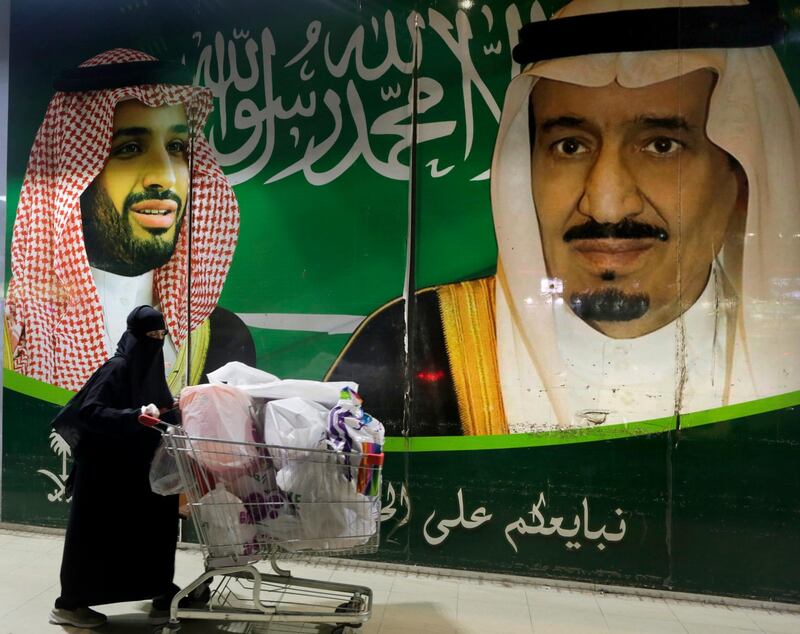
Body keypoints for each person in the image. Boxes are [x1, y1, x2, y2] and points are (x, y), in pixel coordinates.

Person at [327, 0, 800, 435]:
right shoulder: (416, 345)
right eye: (570, 146)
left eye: (662, 146)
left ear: (740, 174)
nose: (607, 204)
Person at [5, 48, 255, 393]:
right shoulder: (15, 334)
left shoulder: (220, 337)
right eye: (130, 149)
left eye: (178, 147)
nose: (165, 177)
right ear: (75, 175)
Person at [48, 306, 184, 628]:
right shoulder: (117, 368)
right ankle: (70, 604)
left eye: (160, 336)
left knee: (155, 529)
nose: (155, 341)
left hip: (137, 468)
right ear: (135, 336)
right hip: (104, 471)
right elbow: (89, 412)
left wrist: (172, 410)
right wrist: (132, 417)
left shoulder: (150, 369)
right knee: (95, 537)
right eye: (149, 336)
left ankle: (161, 591)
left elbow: (156, 404)